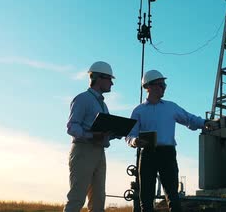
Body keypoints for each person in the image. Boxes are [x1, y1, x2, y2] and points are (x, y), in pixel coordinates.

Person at [126, 69, 215, 212]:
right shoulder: (138, 111)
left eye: (164, 85)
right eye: (161, 85)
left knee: (173, 195)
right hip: (147, 154)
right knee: (146, 197)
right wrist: (135, 141)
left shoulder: (171, 107)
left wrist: (204, 122)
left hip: (167, 153)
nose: (164, 88)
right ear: (149, 87)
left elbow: (189, 118)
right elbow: (130, 134)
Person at [64, 61, 116, 212]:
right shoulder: (82, 99)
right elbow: (72, 126)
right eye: (109, 79)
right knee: (77, 197)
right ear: (99, 78)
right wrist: (91, 136)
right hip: (83, 150)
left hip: (99, 151)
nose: (111, 83)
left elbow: (101, 131)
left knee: (98, 200)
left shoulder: (103, 106)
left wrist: (113, 133)